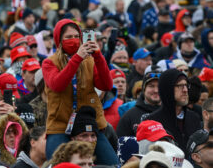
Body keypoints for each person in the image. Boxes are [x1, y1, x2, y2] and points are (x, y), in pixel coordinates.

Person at [42, 19, 116, 165]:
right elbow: (57, 85)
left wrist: (98, 57)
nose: (74, 40)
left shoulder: (89, 60)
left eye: (76, 36)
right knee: (57, 165)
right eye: (68, 37)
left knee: (112, 164)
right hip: (61, 125)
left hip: (90, 125)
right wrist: (77, 58)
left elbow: (106, 85)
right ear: (59, 40)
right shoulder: (49, 62)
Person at [145, 69, 202, 155]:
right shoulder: (152, 122)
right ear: (168, 89)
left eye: (186, 85)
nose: (185, 90)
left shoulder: (194, 118)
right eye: (180, 86)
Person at [117, 71, 161, 137]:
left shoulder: (172, 113)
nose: (156, 90)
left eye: (159, 86)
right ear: (144, 89)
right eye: (151, 86)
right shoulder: (129, 116)